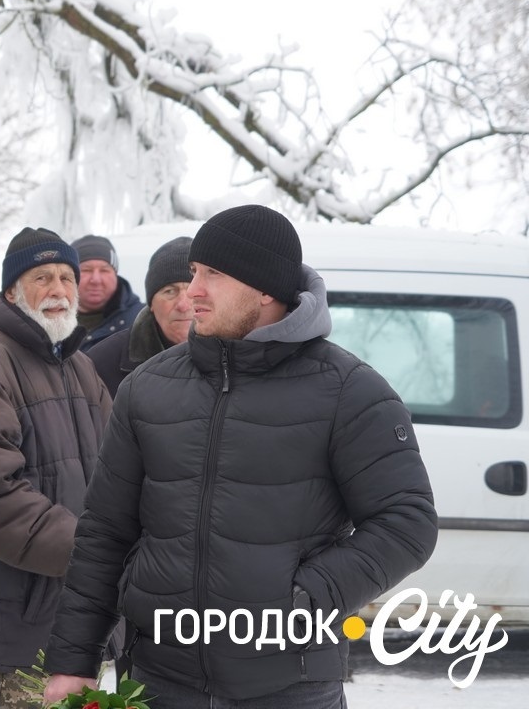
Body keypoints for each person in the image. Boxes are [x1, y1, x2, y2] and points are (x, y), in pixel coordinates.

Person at [44, 205, 439, 708]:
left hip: (289, 686)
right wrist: (72, 660)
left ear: (266, 288)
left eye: (214, 274)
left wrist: (300, 598)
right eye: (193, 273)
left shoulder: (348, 390)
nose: (193, 292)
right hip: (158, 678)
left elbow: (407, 523)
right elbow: (104, 531)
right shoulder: (148, 388)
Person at [0, 228, 113, 709]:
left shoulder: (79, 367)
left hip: (79, 617)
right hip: (20, 624)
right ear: (12, 291)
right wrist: (92, 553)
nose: (58, 290)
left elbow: (116, 470)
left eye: (65, 277)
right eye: (42, 277)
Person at [86, 236, 193, 396]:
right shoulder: (100, 364)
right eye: (169, 291)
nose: (183, 305)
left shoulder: (239, 356)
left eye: (193, 292)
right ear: (151, 304)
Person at [70, 234, 144, 351]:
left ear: (115, 274)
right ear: (70, 275)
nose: (96, 280)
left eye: (104, 270)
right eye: (86, 270)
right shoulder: (48, 320)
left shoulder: (144, 321)